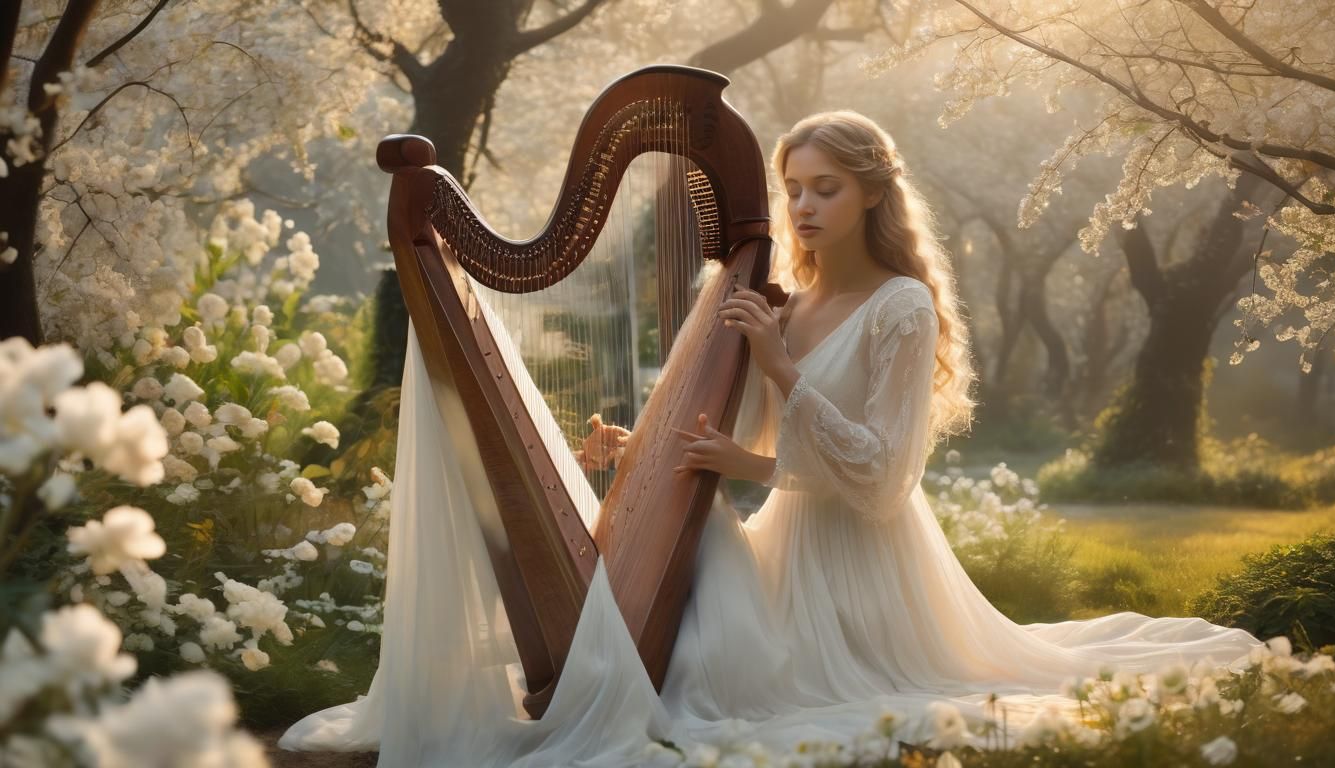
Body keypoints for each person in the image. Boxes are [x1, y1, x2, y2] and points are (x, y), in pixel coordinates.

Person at [280, 111, 1264, 766]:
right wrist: (637, 449)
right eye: (792, 187)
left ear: (872, 194)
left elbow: (880, 477)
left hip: (861, 571)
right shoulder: (783, 297)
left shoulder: (902, 306)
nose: (801, 206)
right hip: (789, 546)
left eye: (825, 188)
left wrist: (778, 381)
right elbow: (740, 433)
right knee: (697, 574)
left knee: (727, 645)